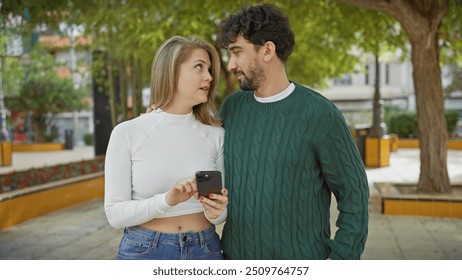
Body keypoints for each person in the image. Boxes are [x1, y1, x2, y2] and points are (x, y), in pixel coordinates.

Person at [218, 3, 369, 259]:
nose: (231, 64)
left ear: (267, 50)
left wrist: (341, 260)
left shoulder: (319, 114)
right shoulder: (231, 108)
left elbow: (354, 193)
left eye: (237, 52)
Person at [104, 35, 228, 260]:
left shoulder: (216, 135)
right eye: (198, 67)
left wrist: (218, 211)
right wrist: (166, 201)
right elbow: (115, 215)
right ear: (171, 71)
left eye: (209, 69)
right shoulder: (127, 133)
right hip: (144, 252)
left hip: (205, 250)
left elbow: (220, 215)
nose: (209, 77)